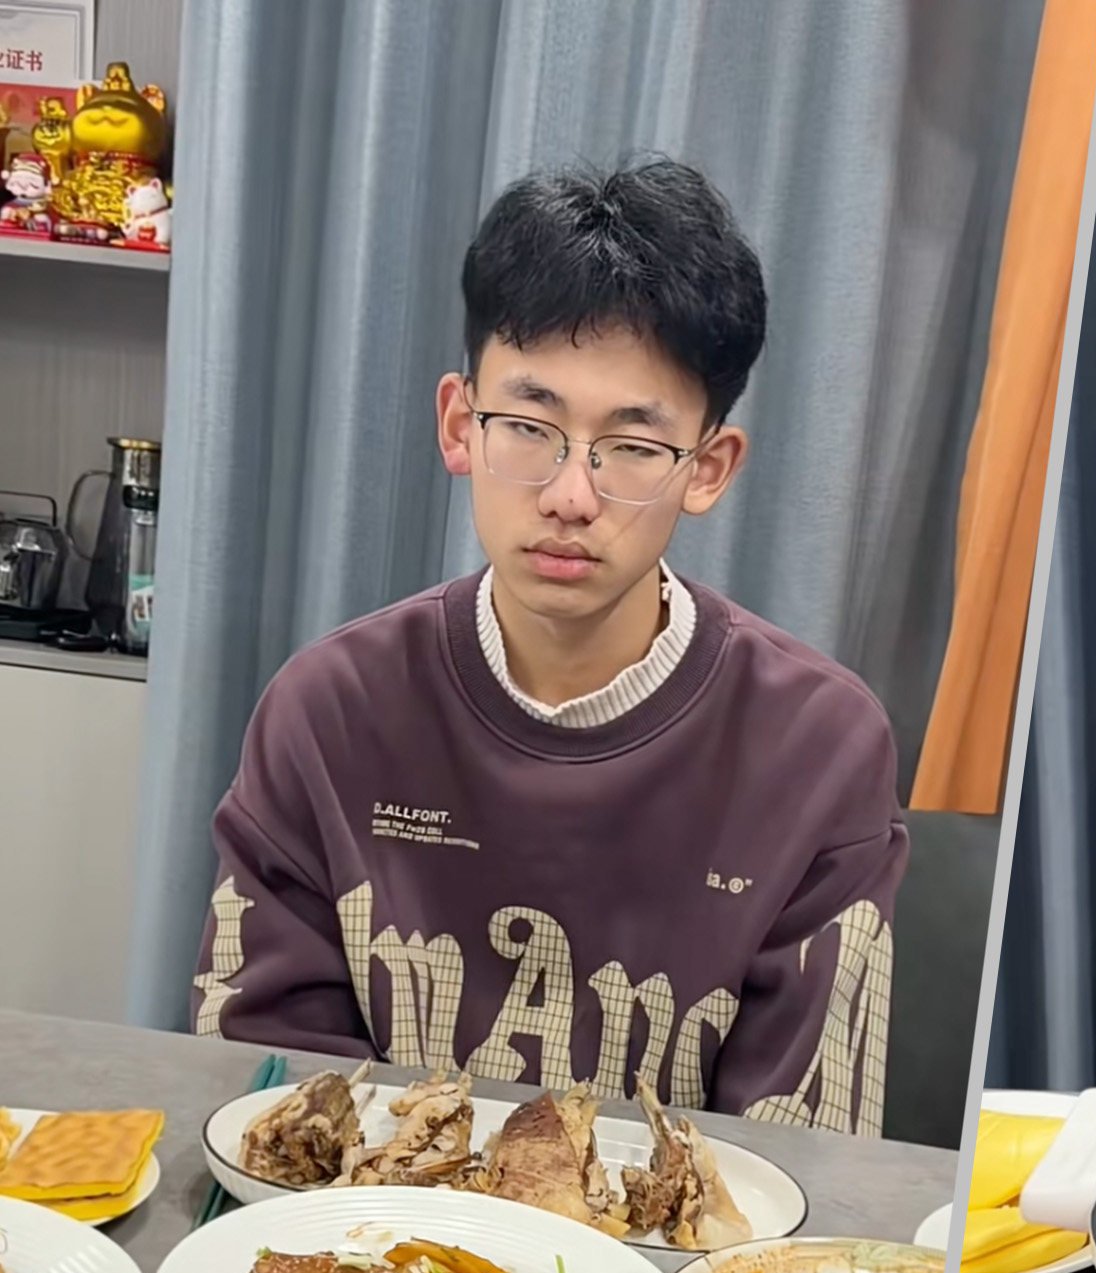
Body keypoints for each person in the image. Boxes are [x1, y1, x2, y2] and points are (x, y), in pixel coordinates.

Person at [192, 160, 906, 1133]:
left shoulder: (820, 747)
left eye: (632, 447)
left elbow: (802, 1169)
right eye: (529, 427)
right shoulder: (326, 712)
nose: (571, 495)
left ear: (708, 469)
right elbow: (264, 1101)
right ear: (460, 424)